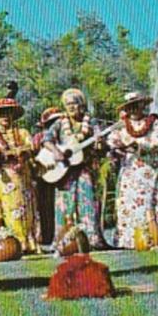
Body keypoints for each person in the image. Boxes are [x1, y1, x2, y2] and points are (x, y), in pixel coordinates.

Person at [108, 92, 158, 250]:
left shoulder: (152, 122)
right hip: (130, 169)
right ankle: (130, 239)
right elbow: (112, 140)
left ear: (143, 105)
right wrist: (118, 147)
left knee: (152, 200)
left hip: (149, 168)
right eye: (130, 107)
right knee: (130, 201)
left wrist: (139, 146)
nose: (133, 110)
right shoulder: (122, 124)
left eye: (136, 105)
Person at [42, 89, 107, 250]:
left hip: (84, 167)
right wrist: (56, 151)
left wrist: (99, 141)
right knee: (65, 204)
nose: (71, 107)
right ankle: (64, 241)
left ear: (81, 105)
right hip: (64, 172)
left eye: (74, 103)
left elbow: (100, 142)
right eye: (68, 104)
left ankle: (90, 240)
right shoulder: (59, 123)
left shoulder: (90, 122)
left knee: (87, 200)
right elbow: (47, 140)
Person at [0, 98, 41, 255]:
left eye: (8, 113)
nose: (5, 116)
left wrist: (22, 152)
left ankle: (25, 243)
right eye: (1, 113)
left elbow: (31, 148)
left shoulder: (22, 133)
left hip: (20, 177)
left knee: (21, 210)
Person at [31, 106, 63, 246]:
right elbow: (33, 155)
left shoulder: (64, 136)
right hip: (43, 175)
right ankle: (46, 236)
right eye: (52, 122)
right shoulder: (39, 137)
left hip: (62, 173)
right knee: (45, 206)